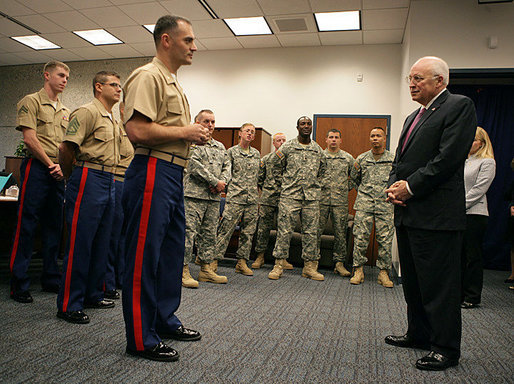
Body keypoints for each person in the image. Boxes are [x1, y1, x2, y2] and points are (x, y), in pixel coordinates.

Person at [122, 15, 209, 362]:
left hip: (174, 174)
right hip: (152, 171)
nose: (194, 46)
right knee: (144, 257)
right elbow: (138, 131)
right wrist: (185, 132)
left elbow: (165, 130)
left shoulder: (172, 82)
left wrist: (189, 137)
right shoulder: (148, 76)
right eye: (188, 40)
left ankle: (164, 320)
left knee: (171, 255)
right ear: (166, 41)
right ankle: (141, 338)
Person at [385, 56, 476, 371]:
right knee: (414, 282)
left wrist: (409, 187)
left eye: (419, 79)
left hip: (437, 216)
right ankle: (419, 334)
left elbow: (447, 159)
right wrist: (393, 188)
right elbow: (399, 161)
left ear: (440, 81)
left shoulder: (458, 107)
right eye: (410, 78)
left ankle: (445, 348)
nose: (412, 84)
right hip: (409, 214)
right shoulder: (413, 117)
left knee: (439, 286)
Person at [56, 71, 122, 324]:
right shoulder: (86, 112)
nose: (119, 89)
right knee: (81, 242)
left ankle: (93, 294)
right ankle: (69, 303)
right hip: (88, 176)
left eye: (120, 85)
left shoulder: (112, 118)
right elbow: (66, 148)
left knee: (102, 242)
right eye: (113, 85)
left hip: (109, 180)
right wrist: (71, 177)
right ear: (98, 87)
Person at [9, 61, 70, 303]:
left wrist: (63, 167)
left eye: (67, 77)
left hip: (58, 172)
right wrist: (50, 164)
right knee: (27, 225)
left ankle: (50, 278)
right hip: (37, 168)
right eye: (60, 75)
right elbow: (30, 140)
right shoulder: (31, 101)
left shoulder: (65, 110)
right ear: (47, 75)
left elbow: (66, 145)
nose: (65, 80)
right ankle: (19, 283)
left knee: (54, 226)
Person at [268, 116, 327, 281]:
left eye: (309, 124)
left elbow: (324, 170)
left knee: (311, 233)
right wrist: (284, 185)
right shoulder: (287, 147)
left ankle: (309, 267)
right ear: (297, 127)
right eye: (303, 124)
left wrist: (316, 186)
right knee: (284, 231)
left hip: (311, 198)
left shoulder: (317, 149)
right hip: (290, 196)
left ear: (312, 127)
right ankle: (278, 265)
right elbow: (274, 166)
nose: (306, 126)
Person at [183, 109, 231, 287]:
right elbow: (193, 166)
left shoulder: (220, 147)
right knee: (188, 233)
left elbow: (228, 166)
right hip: (193, 196)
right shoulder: (191, 144)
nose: (210, 125)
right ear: (197, 122)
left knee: (209, 234)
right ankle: (183, 269)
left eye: (212, 122)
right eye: (206, 121)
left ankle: (205, 269)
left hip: (213, 198)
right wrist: (214, 181)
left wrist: (222, 182)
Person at [349, 127, 395, 287]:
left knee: (385, 239)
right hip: (364, 204)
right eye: (372, 136)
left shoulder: (393, 159)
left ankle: (383, 273)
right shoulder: (361, 159)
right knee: (360, 237)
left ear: (384, 138)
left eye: (378, 136)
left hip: (385, 205)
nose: (375, 138)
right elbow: (354, 179)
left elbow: (397, 180)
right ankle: (358, 270)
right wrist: (364, 193)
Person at [214, 123, 260, 276]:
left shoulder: (256, 153)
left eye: (252, 132)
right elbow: (225, 173)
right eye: (247, 131)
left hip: (252, 199)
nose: (250, 134)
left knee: (248, 232)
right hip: (235, 197)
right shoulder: (231, 152)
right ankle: (213, 260)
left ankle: (242, 262)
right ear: (240, 133)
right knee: (226, 229)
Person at [461, 127, 496, 308]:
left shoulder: (487, 162)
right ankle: (459, 293)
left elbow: (479, 190)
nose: (468, 142)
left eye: (472, 139)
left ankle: (472, 296)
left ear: (481, 143)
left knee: (471, 256)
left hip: (474, 214)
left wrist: (458, 207)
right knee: (458, 256)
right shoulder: (464, 161)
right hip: (458, 214)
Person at [104, 101, 134, 300]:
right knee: (112, 235)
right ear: (123, 110)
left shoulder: (136, 131)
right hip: (117, 180)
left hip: (132, 184)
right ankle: (107, 282)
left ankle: (121, 277)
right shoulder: (116, 128)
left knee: (125, 236)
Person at [319, 129, 355, 277]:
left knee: (340, 233)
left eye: (336, 137)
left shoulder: (348, 158)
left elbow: (354, 177)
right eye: (331, 137)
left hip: (340, 201)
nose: (333, 140)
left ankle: (339, 264)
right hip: (321, 200)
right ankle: (312, 262)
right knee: (315, 231)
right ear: (326, 140)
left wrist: (344, 188)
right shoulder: (319, 156)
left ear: (341, 140)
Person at [252, 132, 291, 269]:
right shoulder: (266, 159)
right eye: (278, 140)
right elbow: (259, 179)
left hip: (286, 198)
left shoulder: (291, 160)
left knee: (284, 229)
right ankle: (260, 256)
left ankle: (282, 259)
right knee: (263, 228)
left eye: (284, 140)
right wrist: (268, 190)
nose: (281, 142)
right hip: (268, 198)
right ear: (274, 143)